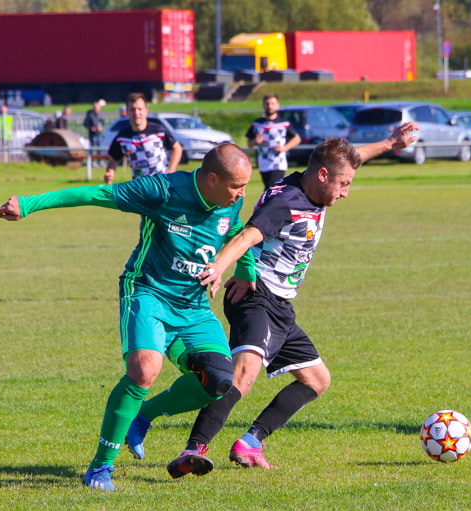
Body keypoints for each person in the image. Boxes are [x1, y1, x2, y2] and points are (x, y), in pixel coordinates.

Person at [125, 122, 419, 477]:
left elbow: (349, 161)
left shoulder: (314, 183)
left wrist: (390, 143)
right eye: (343, 185)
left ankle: (250, 442)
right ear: (322, 175)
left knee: (316, 380)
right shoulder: (287, 201)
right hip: (255, 295)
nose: (345, 193)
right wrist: (220, 265)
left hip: (280, 305)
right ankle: (194, 449)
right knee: (244, 373)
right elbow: (248, 234)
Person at [0, 143, 254, 491]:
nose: (242, 194)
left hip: (192, 307)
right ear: (212, 179)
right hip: (148, 292)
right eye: (237, 186)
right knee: (144, 371)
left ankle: (142, 417)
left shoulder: (230, 201)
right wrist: (28, 205)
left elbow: (236, 231)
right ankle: (101, 467)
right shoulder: (162, 190)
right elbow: (96, 193)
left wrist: (245, 270)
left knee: (219, 381)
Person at [104, 92, 182, 184]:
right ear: (127, 112)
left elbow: (177, 148)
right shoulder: (122, 137)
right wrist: (110, 173)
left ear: (146, 111)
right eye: (132, 109)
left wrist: (172, 170)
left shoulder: (159, 131)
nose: (136, 113)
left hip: (162, 185)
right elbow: (113, 160)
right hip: (139, 188)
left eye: (139, 109)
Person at [246, 93, 301, 190]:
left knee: (272, 189)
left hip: (278, 163)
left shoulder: (283, 123)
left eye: (272, 103)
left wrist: (284, 148)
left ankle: (269, 205)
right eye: (267, 104)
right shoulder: (257, 123)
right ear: (263, 105)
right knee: (268, 189)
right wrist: (255, 141)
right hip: (263, 163)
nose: (270, 106)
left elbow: (297, 139)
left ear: (277, 105)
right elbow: (249, 144)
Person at [83, 99, 106, 167]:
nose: (97, 109)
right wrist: (91, 128)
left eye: (98, 108)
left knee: (100, 150)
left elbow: (102, 122)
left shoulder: (99, 115)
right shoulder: (90, 115)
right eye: (95, 108)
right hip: (92, 135)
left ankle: (100, 161)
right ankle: (92, 162)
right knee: (92, 150)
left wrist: (101, 126)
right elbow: (85, 123)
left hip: (99, 134)